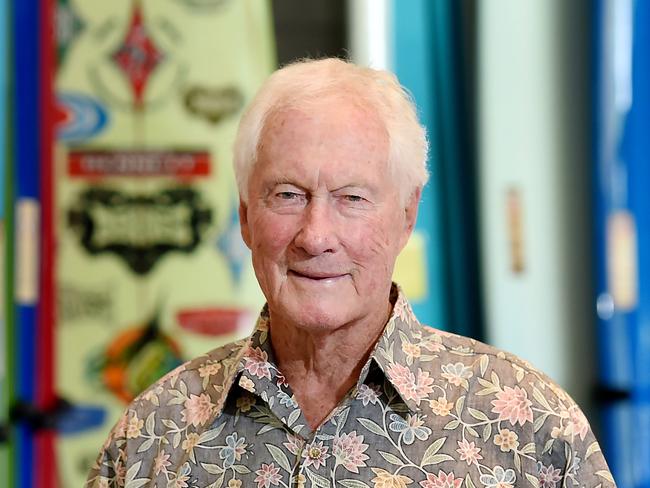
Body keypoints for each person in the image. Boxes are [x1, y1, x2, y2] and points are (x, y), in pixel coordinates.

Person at [86, 58, 616, 488]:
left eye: (352, 198)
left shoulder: (526, 426)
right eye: (288, 195)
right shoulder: (156, 432)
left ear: (407, 216)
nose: (316, 236)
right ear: (246, 217)